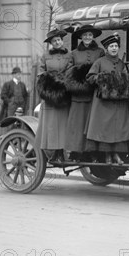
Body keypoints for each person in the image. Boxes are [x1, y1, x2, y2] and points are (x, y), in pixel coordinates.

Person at [85, 34, 129, 164]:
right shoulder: (99, 62)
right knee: (105, 130)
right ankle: (106, 156)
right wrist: (103, 79)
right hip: (103, 104)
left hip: (118, 103)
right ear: (106, 48)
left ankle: (116, 154)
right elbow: (90, 77)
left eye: (116, 46)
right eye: (111, 46)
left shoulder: (121, 63)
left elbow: (126, 78)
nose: (114, 48)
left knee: (116, 130)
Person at [64, 24, 104, 161]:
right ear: (81, 37)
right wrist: (78, 84)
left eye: (90, 35)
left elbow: (102, 69)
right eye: (85, 35)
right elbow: (69, 73)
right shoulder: (73, 53)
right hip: (78, 94)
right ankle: (76, 152)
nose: (87, 37)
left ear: (93, 37)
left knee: (92, 123)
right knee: (78, 123)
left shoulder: (100, 52)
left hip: (94, 93)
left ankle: (92, 152)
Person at [35, 28, 73, 163]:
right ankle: (52, 154)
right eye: (54, 41)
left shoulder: (69, 55)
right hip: (50, 96)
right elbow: (41, 73)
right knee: (51, 126)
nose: (57, 42)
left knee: (63, 126)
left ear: (62, 41)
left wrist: (63, 84)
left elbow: (71, 71)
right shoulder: (45, 56)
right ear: (51, 43)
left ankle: (62, 153)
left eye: (59, 40)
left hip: (64, 95)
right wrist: (48, 87)